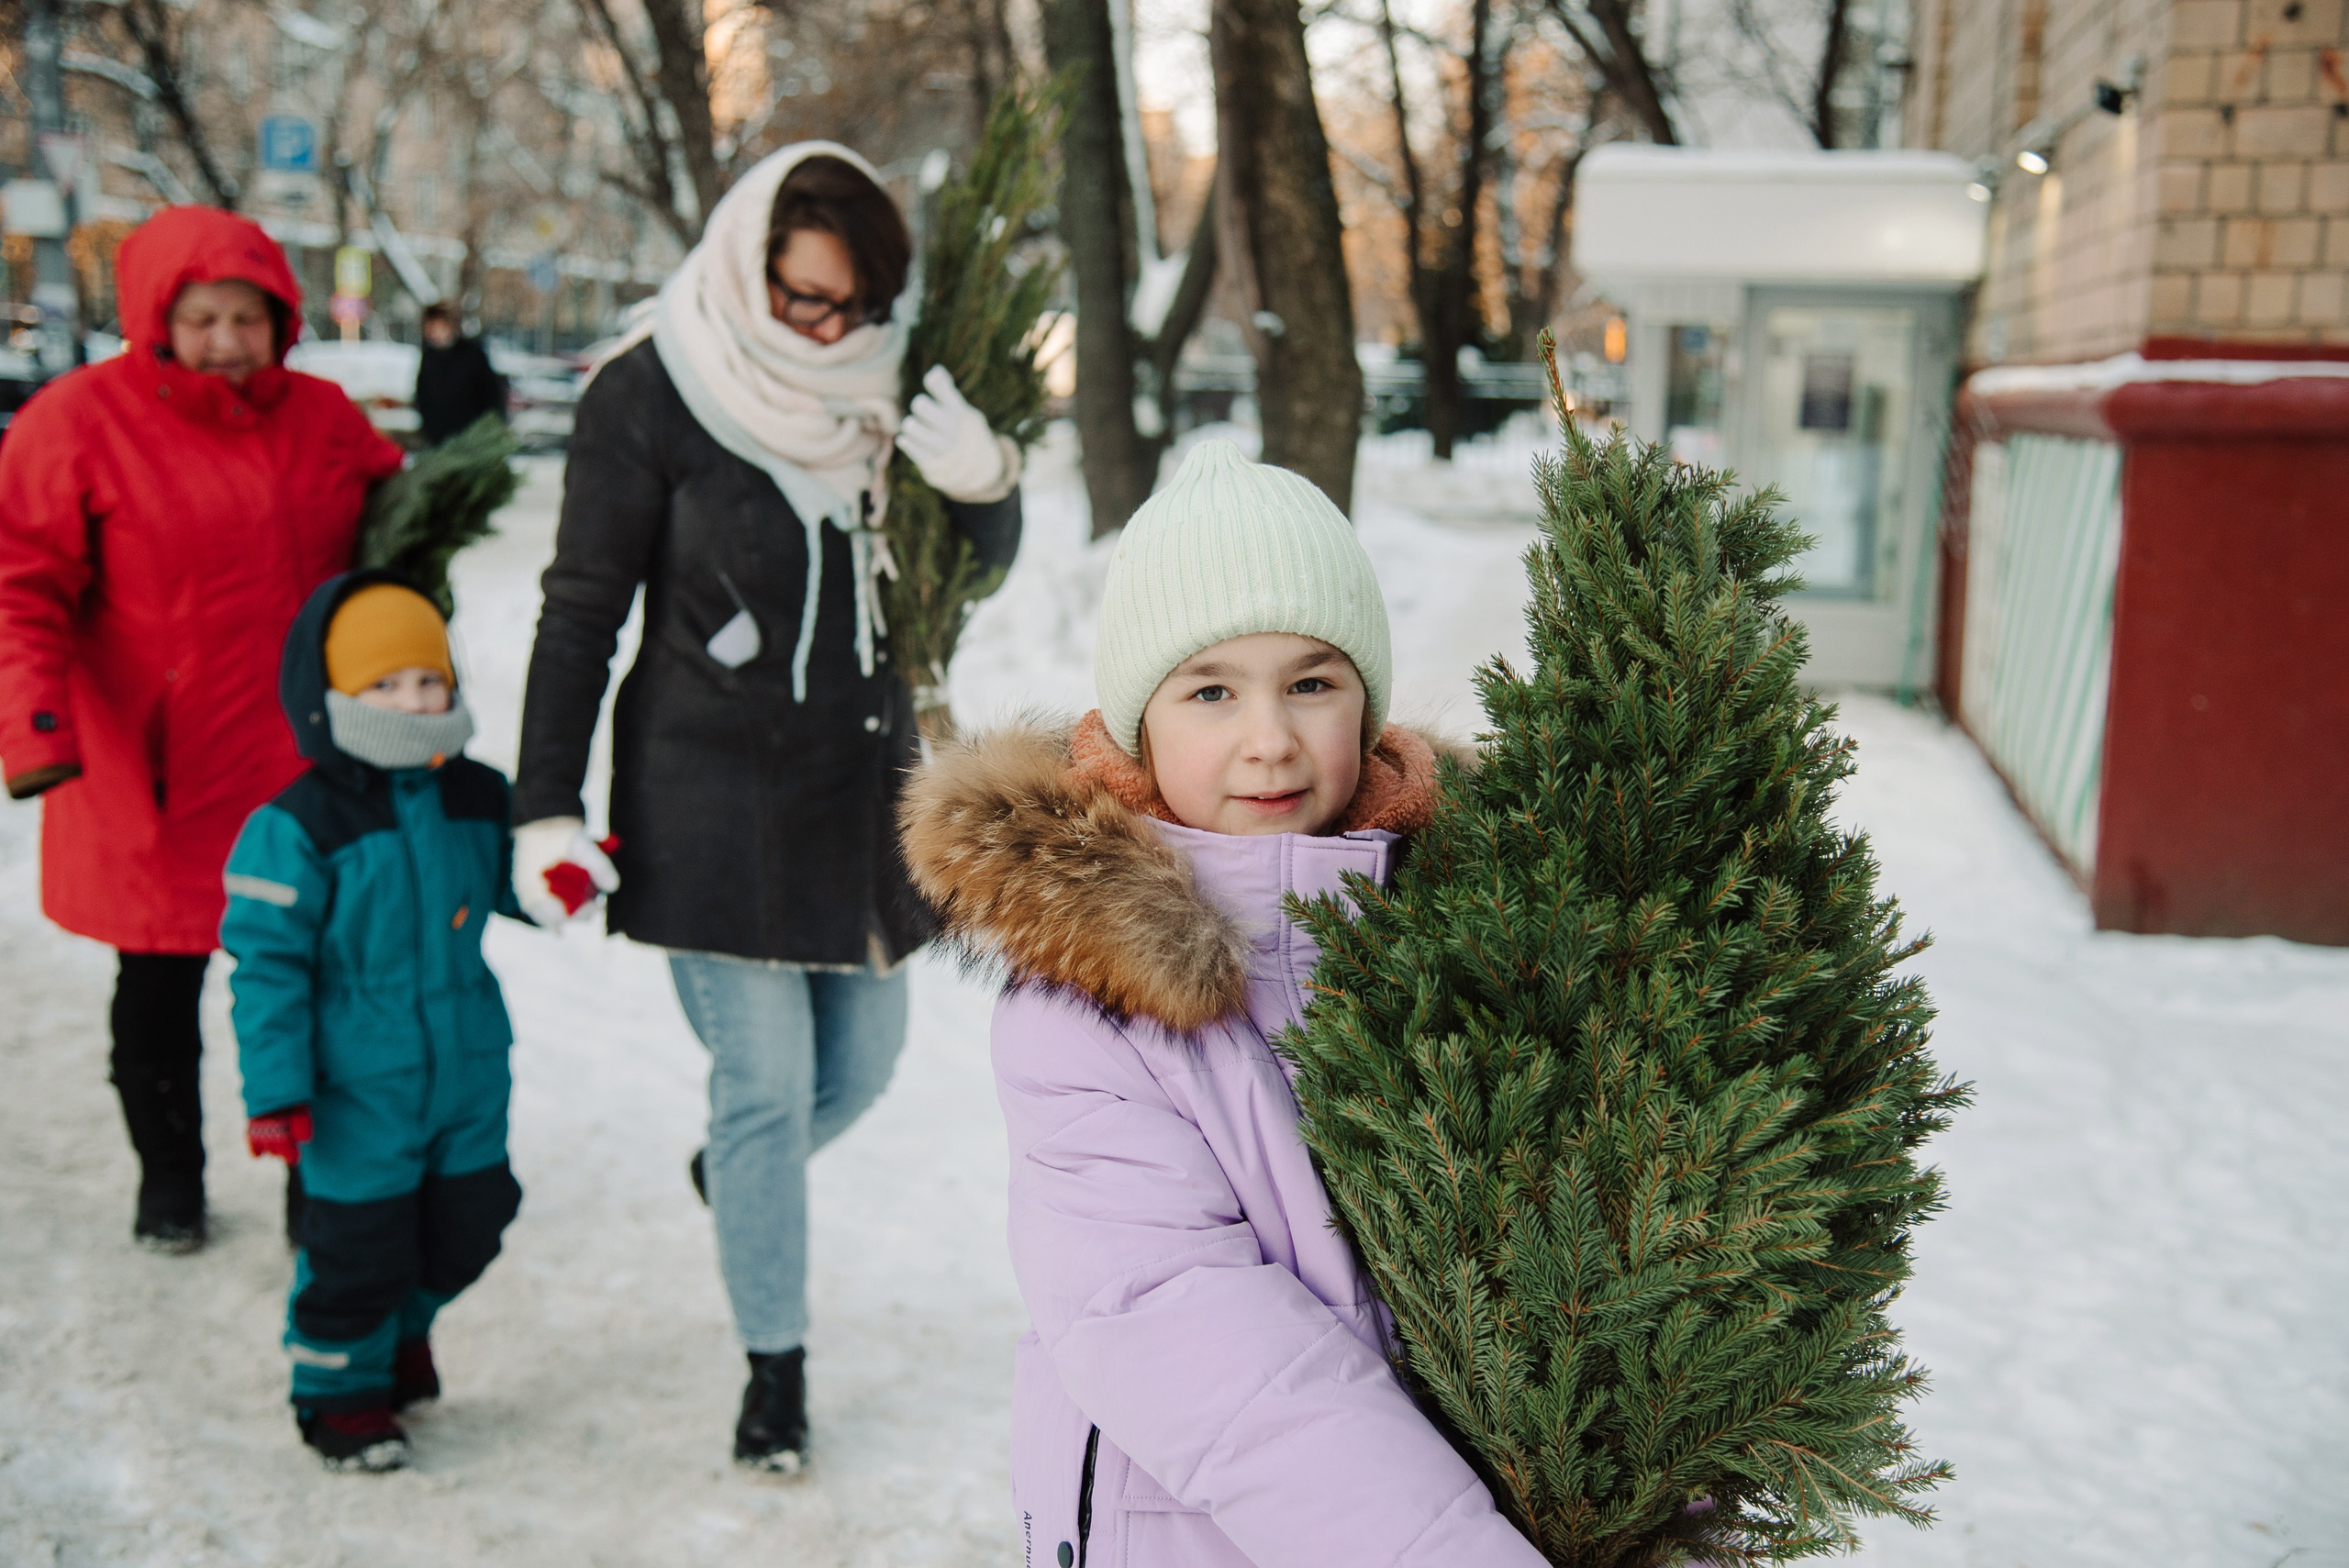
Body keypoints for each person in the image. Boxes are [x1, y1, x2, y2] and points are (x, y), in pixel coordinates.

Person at [898, 440, 1550, 1568]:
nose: (1270, 738)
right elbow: (1208, 1352)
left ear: (1368, 703)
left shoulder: (1474, 934)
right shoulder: (1085, 1014)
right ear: (1137, 728)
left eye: (1311, 681)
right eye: (1210, 690)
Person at [511, 140, 1023, 1473]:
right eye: (803, 299)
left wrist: (987, 487)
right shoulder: (656, 391)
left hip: (864, 791)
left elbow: (956, 579)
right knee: (767, 1082)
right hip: (709, 794)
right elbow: (580, 613)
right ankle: (775, 1373)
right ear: (750, 265)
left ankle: (739, 1175)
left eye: (853, 304)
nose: (828, 328)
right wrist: (544, 808)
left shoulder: (887, 385)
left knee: (866, 1066)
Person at [0, 206, 405, 1252]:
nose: (227, 340)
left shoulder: (323, 419)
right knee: (161, 985)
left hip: (304, 764)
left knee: (316, 986)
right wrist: (34, 725)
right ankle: (170, 1178)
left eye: (247, 316)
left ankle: (315, 1184)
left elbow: (397, 538)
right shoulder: (78, 420)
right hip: (160, 766)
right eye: (201, 318)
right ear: (154, 321)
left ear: (282, 318)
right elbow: (23, 585)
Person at [222, 573, 526, 1473]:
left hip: (468, 1070)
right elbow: (266, 970)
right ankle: (338, 1395)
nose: (412, 700)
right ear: (333, 699)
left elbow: (518, 883)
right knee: (357, 1250)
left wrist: (565, 874)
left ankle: (402, 1328)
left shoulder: (477, 792)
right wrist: (276, 1090)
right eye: (383, 684)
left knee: (473, 1220)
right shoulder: (297, 825)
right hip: (356, 1088)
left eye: (427, 679)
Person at [412, 302, 507, 446]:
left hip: (472, 436)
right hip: (438, 439)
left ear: (449, 326)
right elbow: (422, 394)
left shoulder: (471, 354)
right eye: (430, 327)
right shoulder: (428, 357)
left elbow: (490, 393)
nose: (434, 332)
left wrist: (489, 428)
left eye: (438, 326)